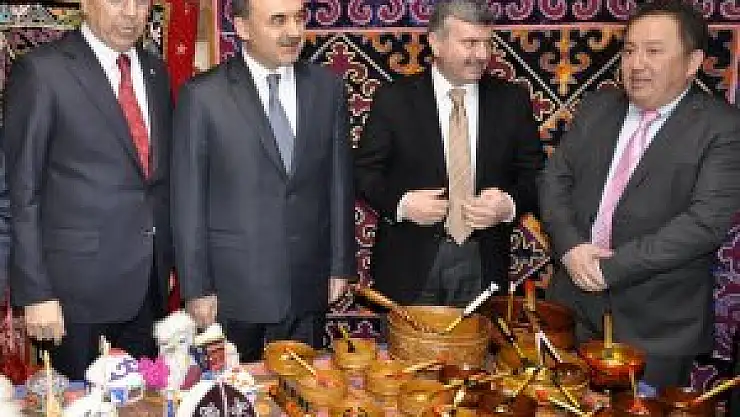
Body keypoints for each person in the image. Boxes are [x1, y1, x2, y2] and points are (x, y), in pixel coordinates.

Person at [539, 0, 740, 390]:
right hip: (571, 305)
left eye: (654, 51)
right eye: (630, 50)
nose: (636, 64)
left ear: (693, 62)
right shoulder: (598, 106)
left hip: (657, 326)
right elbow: (554, 180)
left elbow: (705, 224)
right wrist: (570, 247)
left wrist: (609, 269)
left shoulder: (722, 127)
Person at [171, 0, 355, 361]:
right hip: (233, 293)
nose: (294, 32)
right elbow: (187, 201)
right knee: (237, 390)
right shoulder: (203, 96)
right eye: (278, 21)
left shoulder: (327, 89)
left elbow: (339, 182)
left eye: (299, 18)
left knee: (302, 386)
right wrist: (196, 287)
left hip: (307, 285)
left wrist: (340, 264)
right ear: (242, 27)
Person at [2, 0, 173, 380]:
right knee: (79, 401)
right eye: (117, 1)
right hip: (73, 299)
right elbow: (21, 192)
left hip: (147, 288)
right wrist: (36, 292)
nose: (131, 13)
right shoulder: (42, 72)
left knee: (143, 399)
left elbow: (157, 182)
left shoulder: (156, 72)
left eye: (141, 2)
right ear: (85, 3)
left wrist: (167, 258)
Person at [354, 0, 543, 307]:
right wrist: (402, 204)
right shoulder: (394, 99)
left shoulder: (512, 100)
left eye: (487, 43)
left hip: (483, 265)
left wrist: (508, 205)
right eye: (469, 43)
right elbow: (364, 172)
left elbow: (537, 175)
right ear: (436, 43)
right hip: (407, 267)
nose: (481, 54)